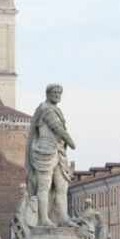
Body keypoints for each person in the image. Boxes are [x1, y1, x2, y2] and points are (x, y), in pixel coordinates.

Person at [25, 84, 75, 228]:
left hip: (58, 150)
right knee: (44, 186)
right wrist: (72, 143)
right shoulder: (45, 109)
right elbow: (58, 129)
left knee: (61, 186)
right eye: (54, 92)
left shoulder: (57, 109)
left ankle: (63, 217)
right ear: (47, 93)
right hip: (44, 150)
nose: (57, 94)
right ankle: (44, 218)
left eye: (60, 92)